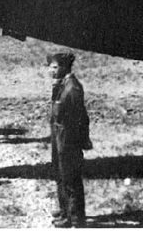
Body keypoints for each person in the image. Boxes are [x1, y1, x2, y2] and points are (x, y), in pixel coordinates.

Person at [48, 51, 91, 228]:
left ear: (64, 68)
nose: (50, 70)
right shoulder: (62, 85)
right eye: (50, 67)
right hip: (60, 137)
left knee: (70, 178)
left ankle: (75, 217)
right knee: (60, 174)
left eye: (55, 67)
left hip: (68, 139)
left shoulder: (72, 88)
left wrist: (81, 140)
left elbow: (80, 118)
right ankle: (65, 209)